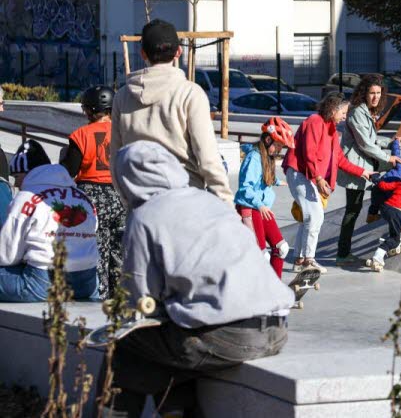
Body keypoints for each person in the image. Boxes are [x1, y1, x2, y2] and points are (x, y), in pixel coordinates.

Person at [105, 141, 292, 417]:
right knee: (173, 341)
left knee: (129, 345)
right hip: (277, 328)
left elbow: (141, 299)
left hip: (227, 337)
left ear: (125, 180)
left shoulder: (145, 216)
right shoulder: (208, 201)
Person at [109, 19, 233, 204]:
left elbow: (116, 157)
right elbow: (208, 158)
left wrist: (128, 200)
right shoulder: (190, 93)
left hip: (140, 201)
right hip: (184, 199)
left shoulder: (122, 96)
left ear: (143, 54)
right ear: (179, 52)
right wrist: (226, 207)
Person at [0, 140, 98, 302]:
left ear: (30, 173)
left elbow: (6, 256)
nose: (16, 183)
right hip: (87, 283)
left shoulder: (26, 198)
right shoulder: (83, 198)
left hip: (43, 283)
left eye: (17, 176)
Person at [284, 92, 368, 273]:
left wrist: (363, 172)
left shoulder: (331, 130)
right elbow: (309, 153)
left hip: (309, 176)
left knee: (309, 217)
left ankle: (299, 260)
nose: (344, 118)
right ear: (333, 109)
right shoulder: (315, 121)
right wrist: (319, 178)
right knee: (316, 216)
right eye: (343, 113)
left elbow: (340, 160)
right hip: (299, 172)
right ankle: (308, 260)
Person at [60, 85, 125, 299]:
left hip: (91, 198)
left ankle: (100, 300)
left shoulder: (81, 135)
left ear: (89, 110)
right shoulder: (125, 132)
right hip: (121, 195)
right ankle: (121, 301)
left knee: (98, 252)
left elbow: (69, 171)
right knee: (120, 252)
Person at [336, 74, 401, 266]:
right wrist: (388, 157)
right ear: (364, 93)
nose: (375, 97)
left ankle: (378, 220)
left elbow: (372, 139)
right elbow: (365, 143)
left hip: (365, 165)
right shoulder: (357, 112)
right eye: (371, 93)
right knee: (352, 210)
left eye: (378, 93)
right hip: (356, 166)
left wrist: (389, 142)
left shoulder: (366, 110)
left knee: (356, 208)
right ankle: (342, 253)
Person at [235, 117, 295, 280]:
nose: (278, 150)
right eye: (277, 145)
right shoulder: (253, 158)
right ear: (268, 139)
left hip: (261, 208)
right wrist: (260, 205)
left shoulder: (266, 156)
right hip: (250, 208)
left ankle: (274, 289)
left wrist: (277, 181)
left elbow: (261, 177)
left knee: (281, 248)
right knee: (260, 256)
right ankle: (257, 292)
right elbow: (245, 188)